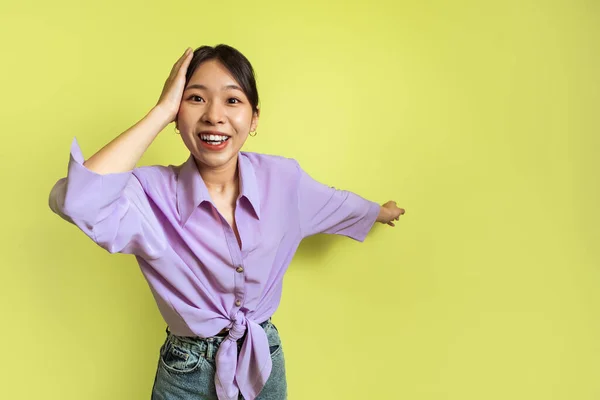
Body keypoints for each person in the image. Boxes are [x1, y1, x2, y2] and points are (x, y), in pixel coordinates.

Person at [48, 44, 405, 400]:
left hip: (262, 357)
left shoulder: (283, 179)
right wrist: (160, 111)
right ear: (177, 114)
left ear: (254, 119)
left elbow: (337, 203)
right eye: (195, 99)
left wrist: (379, 211)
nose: (214, 116)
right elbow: (78, 201)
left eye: (232, 100)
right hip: (185, 370)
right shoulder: (148, 193)